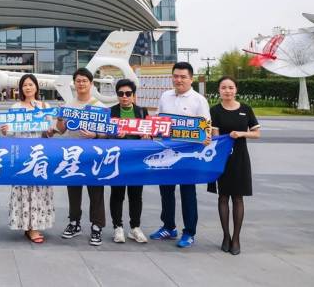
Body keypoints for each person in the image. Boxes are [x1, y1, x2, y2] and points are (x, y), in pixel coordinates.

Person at [150, 61, 211, 248]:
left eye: (183, 77)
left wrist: (206, 136)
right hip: (166, 151)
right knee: (166, 191)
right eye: (176, 76)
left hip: (188, 153)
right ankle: (168, 226)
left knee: (187, 192)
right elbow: (159, 121)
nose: (179, 80)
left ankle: (189, 232)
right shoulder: (165, 96)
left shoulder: (199, 100)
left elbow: (206, 127)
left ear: (191, 79)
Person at [53, 68, 107, 246]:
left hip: (93, 155)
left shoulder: (99, 107)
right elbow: (61, 130)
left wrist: (95, 135)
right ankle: (74, 222)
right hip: (73, 154)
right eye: (78, 81)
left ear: (91, 83)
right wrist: (59, 119)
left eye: (85, 81)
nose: (81, 84)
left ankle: (97, 226)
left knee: (96, 191)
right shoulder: (69, 105)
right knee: (73, 190)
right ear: (74, 83)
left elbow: (107, 134)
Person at [208, 76, 260, 255]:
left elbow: (257, 133)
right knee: (223, 197)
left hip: (240, 158)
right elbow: (215, 136)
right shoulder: (214, 110)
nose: (227, 91)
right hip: (222, 158)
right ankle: (226, 236)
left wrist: (241, 133)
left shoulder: (246, 109)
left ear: (236, 89)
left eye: (230, 87)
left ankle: (236, 238)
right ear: (219, 90)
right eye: (223, 87)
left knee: (238, 198)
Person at [0, 74, 55, 244]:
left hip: (39, 155)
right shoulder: (16, 107)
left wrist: (50, 131)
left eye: (31, 84)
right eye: (25, 85)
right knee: (23, 189)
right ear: (21, 89)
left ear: (36, 87)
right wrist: (5, 130)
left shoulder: (44, 106)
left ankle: (34, 226)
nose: (28, 88)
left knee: (38, 190)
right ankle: (27, 226)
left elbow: (48, 132)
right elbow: (10, 132)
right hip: (21, 154)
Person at [109, 78, 148, 244]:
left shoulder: (142, 112)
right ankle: (117, 227)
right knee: (117, 194)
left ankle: (135, 227)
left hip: (137, 160)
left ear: (133, 95)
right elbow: (104, 136)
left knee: (136, 194)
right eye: (121, 93)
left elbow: (150, 134)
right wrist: (114, 135)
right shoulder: (110, 112)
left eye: (128, 93)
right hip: (118, 159)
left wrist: (147, 136)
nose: (124, 97)